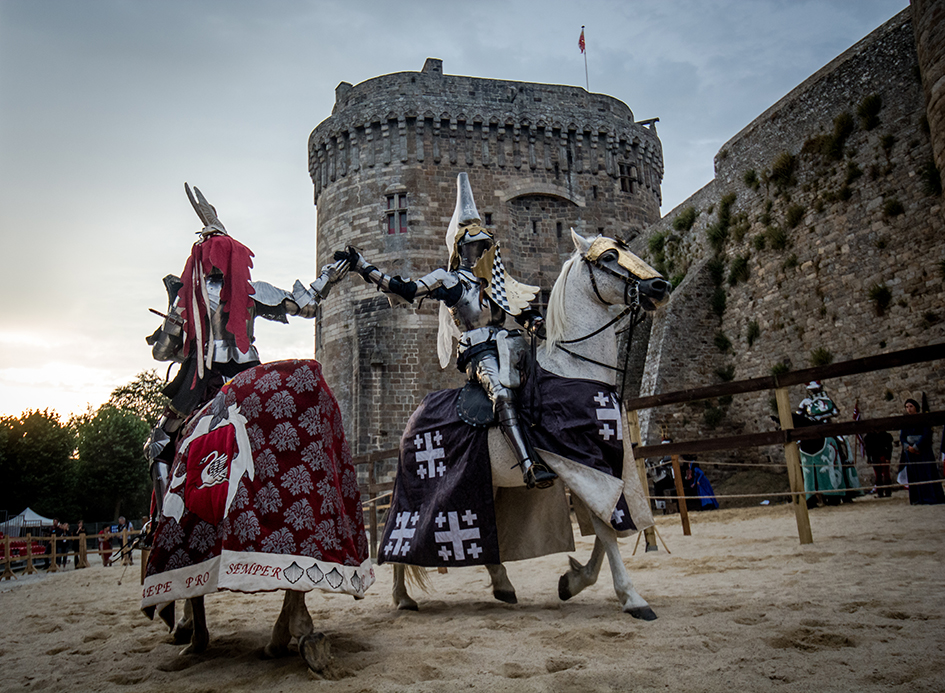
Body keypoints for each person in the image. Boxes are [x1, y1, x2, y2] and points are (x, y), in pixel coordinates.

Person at [143, 183, 350, 522]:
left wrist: (165, 327)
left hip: (202, 381)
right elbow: (305, 305)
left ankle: (162, 522)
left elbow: (165, 354)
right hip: (247, 377)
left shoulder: (188, 294)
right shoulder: (252, 292)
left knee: (160, 439)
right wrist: (329, 275)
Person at [346, 172, 555, 489]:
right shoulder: (448, 280)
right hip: (477, 351)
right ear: (461, 248)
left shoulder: (494, 279)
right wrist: (365, 268)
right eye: (476, 247)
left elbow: (519, 307)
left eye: (485, 245)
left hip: (507, 345)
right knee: (501, 393)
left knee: (546, 381)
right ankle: (529, 465)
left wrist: (535, 323)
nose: (482, 252)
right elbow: (407, 289)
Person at [899, 398, 945, 505]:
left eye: (911, 406)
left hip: (923, 451)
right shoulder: (905, 422)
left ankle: (931, 497)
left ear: (916, 407)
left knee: (926, 473)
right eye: (907, 407)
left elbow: (926, 434)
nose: (909, 409)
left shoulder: (923, 419)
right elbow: (902, 437)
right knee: (915, 475)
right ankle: (917, 498)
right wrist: (908, 447)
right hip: (911, 453)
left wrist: (916, 446)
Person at [864, 430, 894, 497]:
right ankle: (880, 493)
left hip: (883, 456)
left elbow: (889, 447)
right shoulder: (869, 436)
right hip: (875, 456)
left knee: (886, 474)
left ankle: (888, 492)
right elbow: (868, 448)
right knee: (878, 475)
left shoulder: (885, 435)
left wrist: (888, 457)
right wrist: (869, 458)